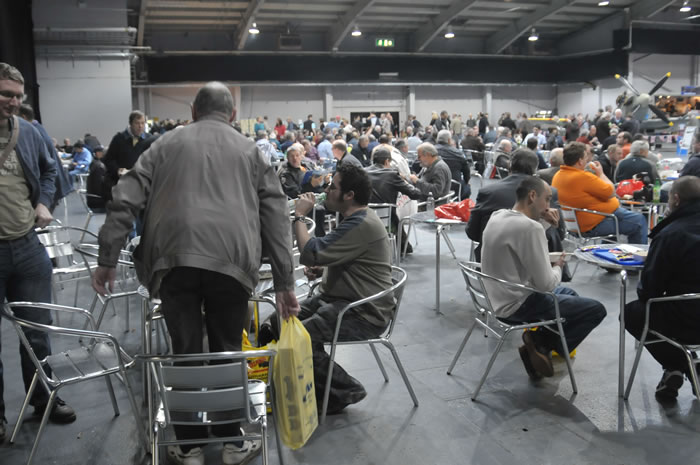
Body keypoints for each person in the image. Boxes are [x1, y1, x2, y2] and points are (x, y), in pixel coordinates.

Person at [92, 82, 299, 465]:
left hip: (173, 262)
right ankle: (232, 440)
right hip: (232, 264)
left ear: (192, 111)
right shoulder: (251, 151)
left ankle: (188, 446)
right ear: (232, 114)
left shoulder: (164, 145)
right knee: (227, 348)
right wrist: (285, 281)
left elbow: (125, 196)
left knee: (184, 350)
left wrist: (108, 258)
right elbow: (276, 216)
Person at [264, 163, 394, 414]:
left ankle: (345, 390)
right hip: (339, 300)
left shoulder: (361, 223)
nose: (326, 191)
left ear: (349, 195)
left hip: (364, 313)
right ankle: (292, 384)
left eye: (332, 187)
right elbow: (348, 260)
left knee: (301, 337)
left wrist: (299, 216)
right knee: (277, 323)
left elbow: (311, 253)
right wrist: (324, 270)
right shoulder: (354, 219)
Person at [0, 62, 76, 442]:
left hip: (27, 246)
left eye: (17, 96)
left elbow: (50, 172)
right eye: (5, 94)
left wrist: (44, 201)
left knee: (37, 333)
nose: (13, 101)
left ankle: (43, 397)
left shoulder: (28, 132)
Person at [481, 176, 606, 379]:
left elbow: (522, 245)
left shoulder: (498, 216)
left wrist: (544, 224)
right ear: (532, 196)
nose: (549, 206)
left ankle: (539, 349)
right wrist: (558, 266)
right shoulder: (530, 228)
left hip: (495, 298)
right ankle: (541, 342)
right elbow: (546, 284)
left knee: (570, 295)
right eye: (547, 199)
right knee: (595, 310)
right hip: (518, 304)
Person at [624, 176, 700, 401]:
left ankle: (680, 365)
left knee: (632, 313)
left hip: (687, 318)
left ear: (675, 199)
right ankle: (682, 367)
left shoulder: (670, 234)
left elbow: (649, 291)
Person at [468, 149, 564, 263]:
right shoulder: (547, 193)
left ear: (510, 165)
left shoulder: (487, 192)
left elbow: (472, 232)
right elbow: (560, 233)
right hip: (536, 261)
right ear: (535, 168)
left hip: (490, 263)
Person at [553, 142, 647, 244]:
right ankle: (639, 252)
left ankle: (609, 250)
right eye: (586, 157)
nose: (588, 160)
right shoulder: (583, 177)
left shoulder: (558, 175)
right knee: (639, 221)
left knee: (626, 217)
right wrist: (601, 174)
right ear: (580, 161)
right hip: (594, 224)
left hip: (576, 224)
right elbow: (611, 192)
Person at [17, 103, 73, 212]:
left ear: (23, 117)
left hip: (47, 188)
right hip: (51, 186)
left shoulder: (32, 132)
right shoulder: (38, 128)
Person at [366, 147, 422, 253]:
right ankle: (404, 249)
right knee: (395, 218)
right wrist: (405, 181)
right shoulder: (391, 174)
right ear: (387, 161)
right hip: (386, 221)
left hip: (364, 217)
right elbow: (415, 194)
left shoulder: (362, 172)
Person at [102, 110, 157, 197]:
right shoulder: (119, 138)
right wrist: (118, 170)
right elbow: (108, 159)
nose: (140, 126)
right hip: (120, 184)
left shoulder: (149, 139)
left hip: (141, 184)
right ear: (130, 123)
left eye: (143, 123)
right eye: (137, 123)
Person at [435, 130, 471, 200]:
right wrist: (466, 181)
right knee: (467, 188)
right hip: (454, 187)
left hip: (433, 186)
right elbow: (466, 172)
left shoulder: (429, 151)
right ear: (449, 140)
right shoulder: (458, 153)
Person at [86, 145, 109, 211]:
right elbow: (99, 186)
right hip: (98, 204)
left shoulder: (94, 163)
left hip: (93, 201)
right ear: (98, 153)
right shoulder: (99, 166)